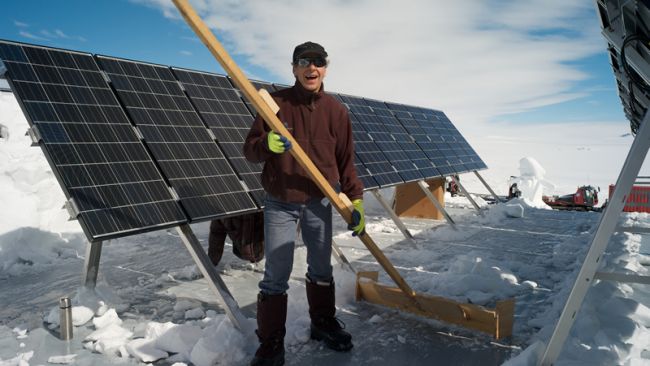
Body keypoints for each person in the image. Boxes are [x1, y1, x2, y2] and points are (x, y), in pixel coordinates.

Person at [243, 41, 365, 366]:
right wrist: (266, 144)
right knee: (276, 274)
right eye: (304, 62)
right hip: (280, 200)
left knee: (322, 267)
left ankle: (322, 324)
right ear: (294, 68)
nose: (312, 69)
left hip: (319, 201)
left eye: (318, 62)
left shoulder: (337, 112)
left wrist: (356, 201)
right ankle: (270, 342)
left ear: (325, 67)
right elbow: (249, 150)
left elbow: (346, 163)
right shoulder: (274, 104)